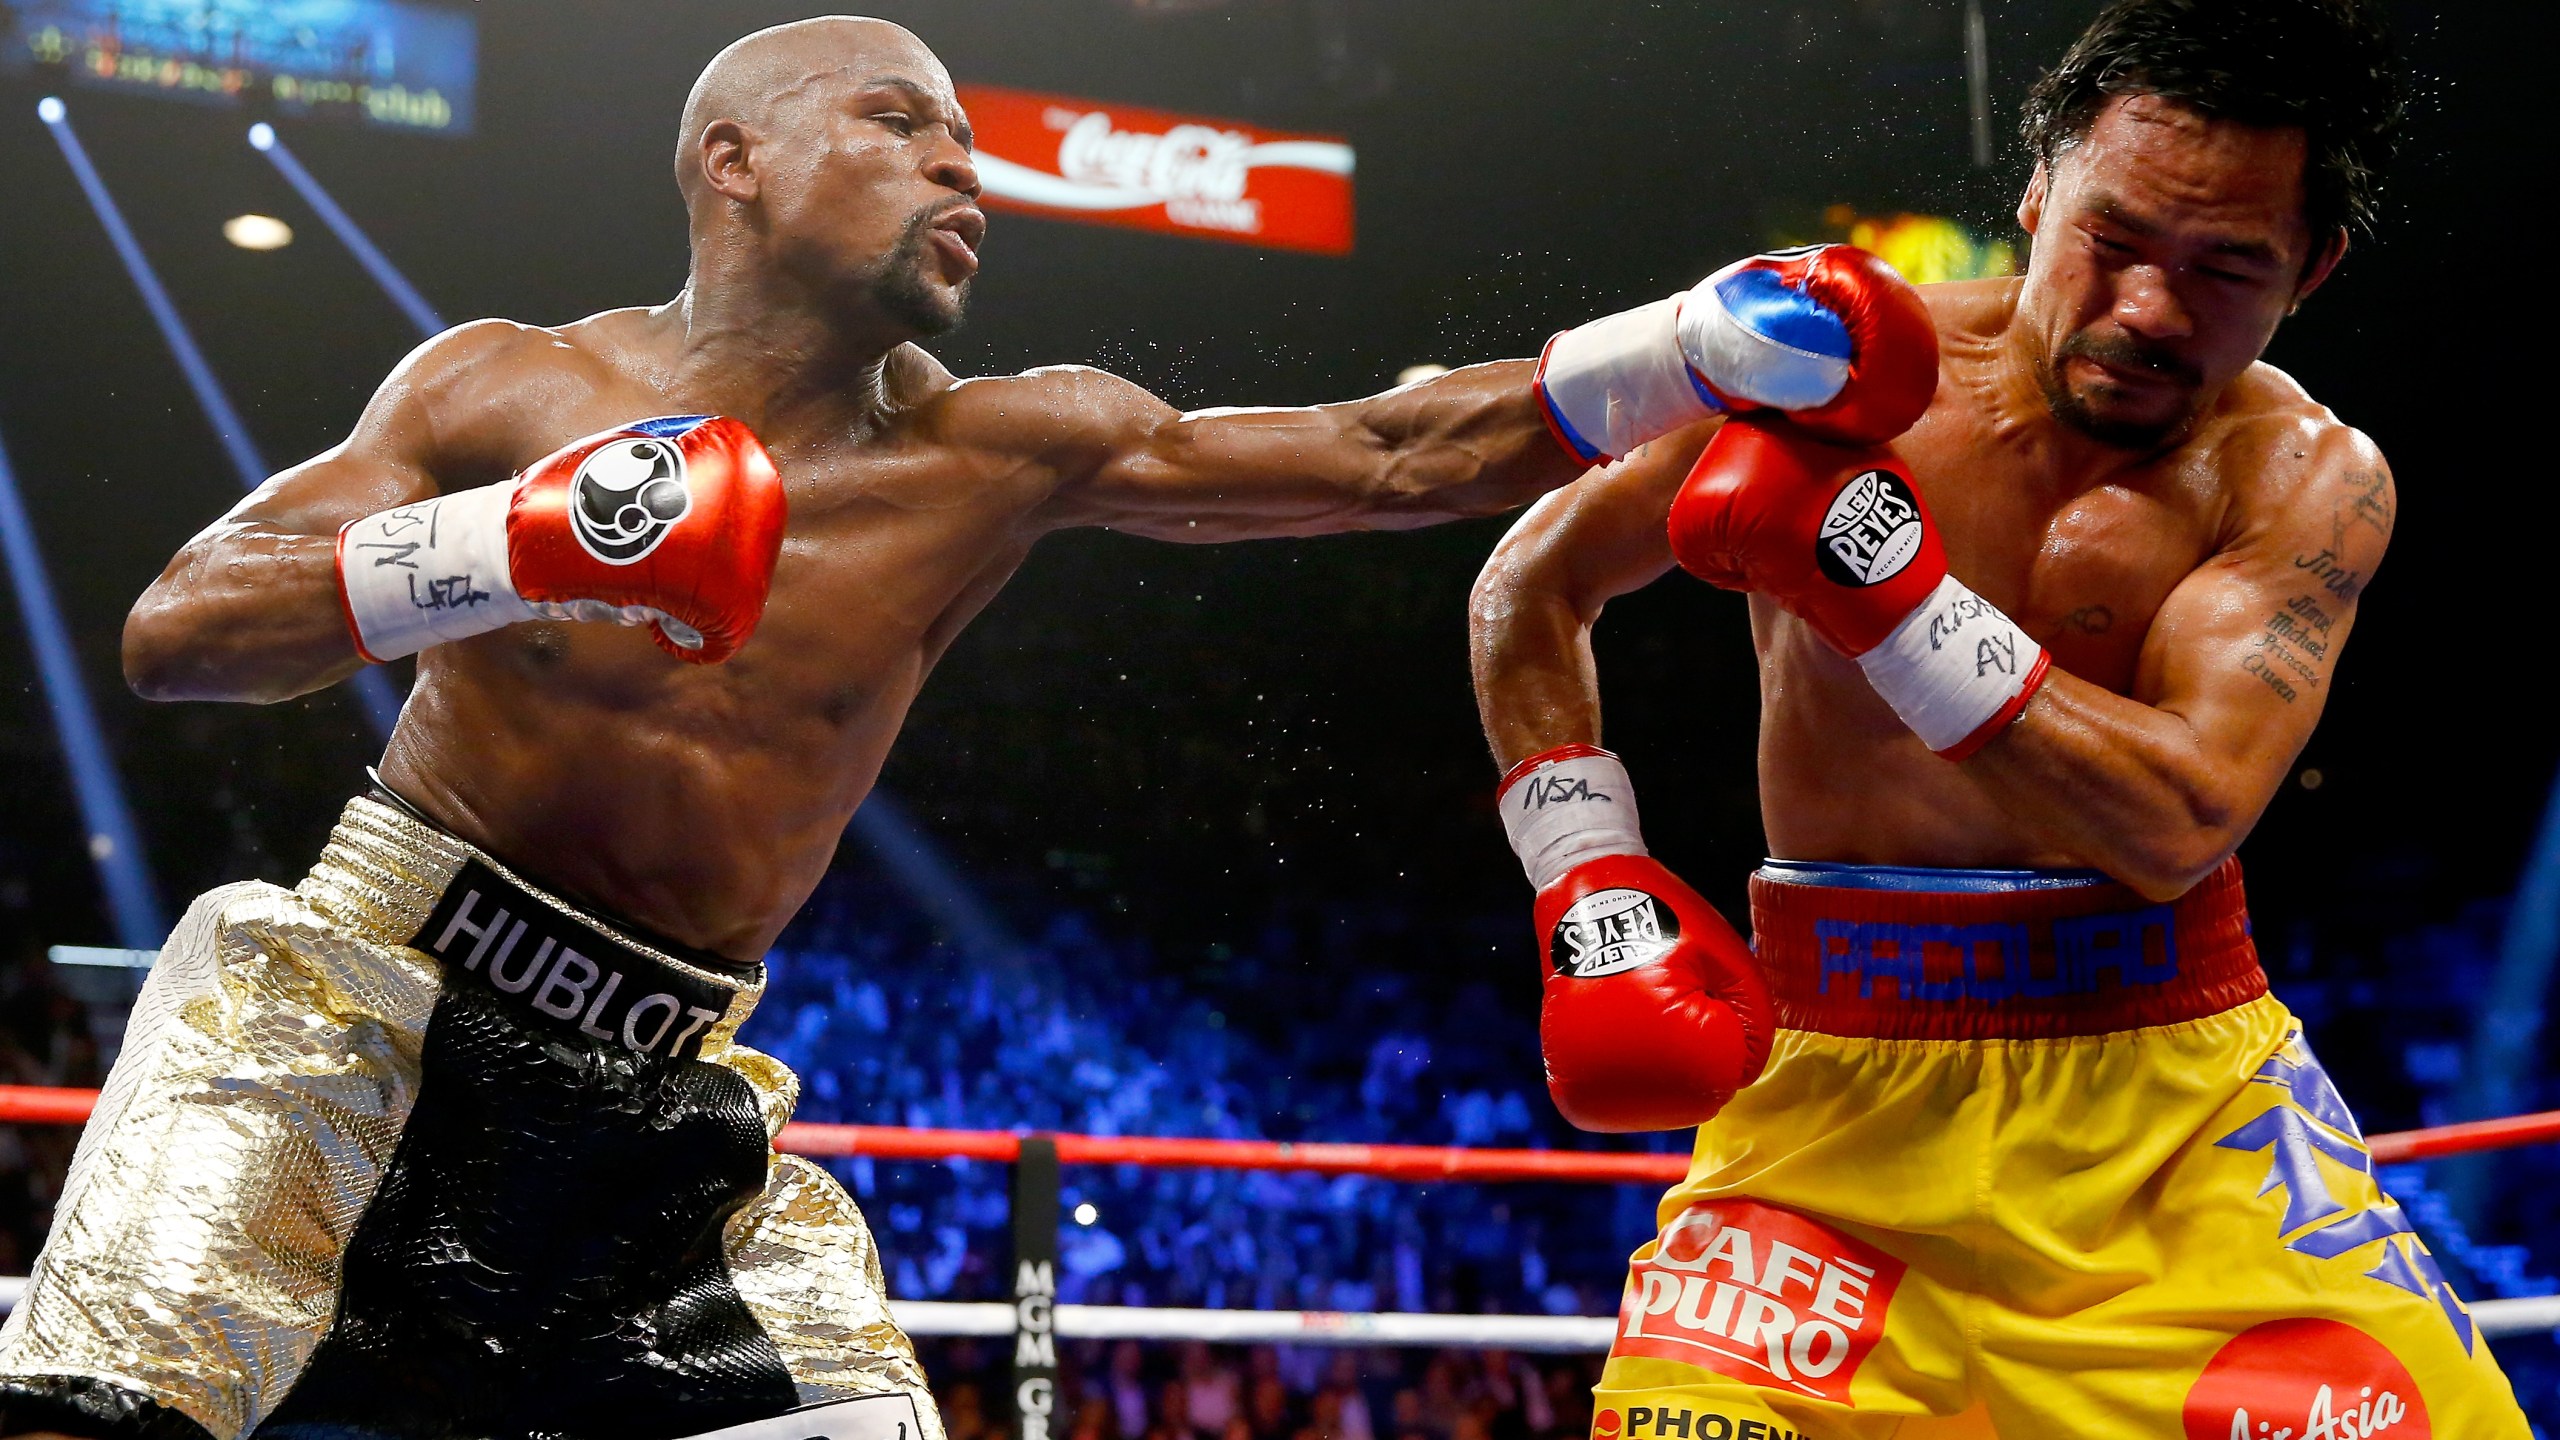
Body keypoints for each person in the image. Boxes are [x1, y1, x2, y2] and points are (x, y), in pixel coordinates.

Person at [0, 17, 1927, 1440]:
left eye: (971, 146)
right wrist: (519, 543)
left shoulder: (1011, 445)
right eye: (903, 125)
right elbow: (183, 630)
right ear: (733, 163)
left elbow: (1387, 452)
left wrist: (1685, 344)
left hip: (665, 1108)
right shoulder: (511, 387)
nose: (964, 176)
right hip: (355, 1013)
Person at [1468, 0, 2534, 1434]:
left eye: (2226, 268)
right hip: (1828, 1117)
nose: (2150, 309)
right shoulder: (1823, 374)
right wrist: (1586, 869)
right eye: (2115, 240)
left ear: (2313, 270)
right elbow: (1532, 579)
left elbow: (2180, 820)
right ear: (2038, 191)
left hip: (2172, 1127)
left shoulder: (2305, 478)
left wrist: (1886, 593)